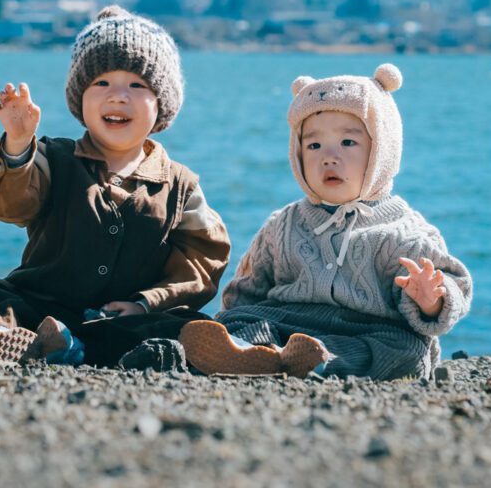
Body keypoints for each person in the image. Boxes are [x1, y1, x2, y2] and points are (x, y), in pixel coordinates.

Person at [0, 6, 230, 369]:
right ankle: (38, 342)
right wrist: (18, 143)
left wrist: (146, 302)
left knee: (185, 327)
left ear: (161, 103)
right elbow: (10, 204)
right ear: (79, 98)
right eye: (101, 83)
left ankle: (79, 351)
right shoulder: (53, 158)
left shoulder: (180, 185)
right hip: (40, 306)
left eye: (137, 85)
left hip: (123, 319)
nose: (118, 96)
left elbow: (200, 264)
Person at [180, 65, 471, 379]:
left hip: (366, 330)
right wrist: (230, 321)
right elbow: (247, 291)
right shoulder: (283, 224)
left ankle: (304, 362)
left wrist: (432, 300)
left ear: (383, 151)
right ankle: (244, 353)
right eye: (314, 146)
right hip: (286, 320)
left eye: (348, 143)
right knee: (242, 322)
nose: (329, 157)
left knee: (408, 353)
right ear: (298, 153)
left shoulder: (407, 234)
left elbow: (453, 289)